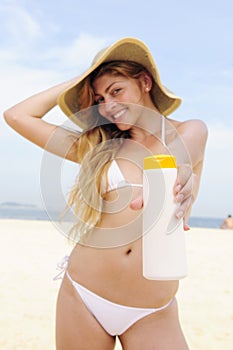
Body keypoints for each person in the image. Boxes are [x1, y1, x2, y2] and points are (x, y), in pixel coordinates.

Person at [4, 37, 208, 350]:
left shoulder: (189, 131)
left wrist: (184, 181)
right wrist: (83, 78)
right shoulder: (98, 149)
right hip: (85, 293)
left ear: (144, 81)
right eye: (99, 98)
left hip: (151, 309)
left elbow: (179, 162)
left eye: (116, 90)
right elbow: (17, 116)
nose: (109, 105)